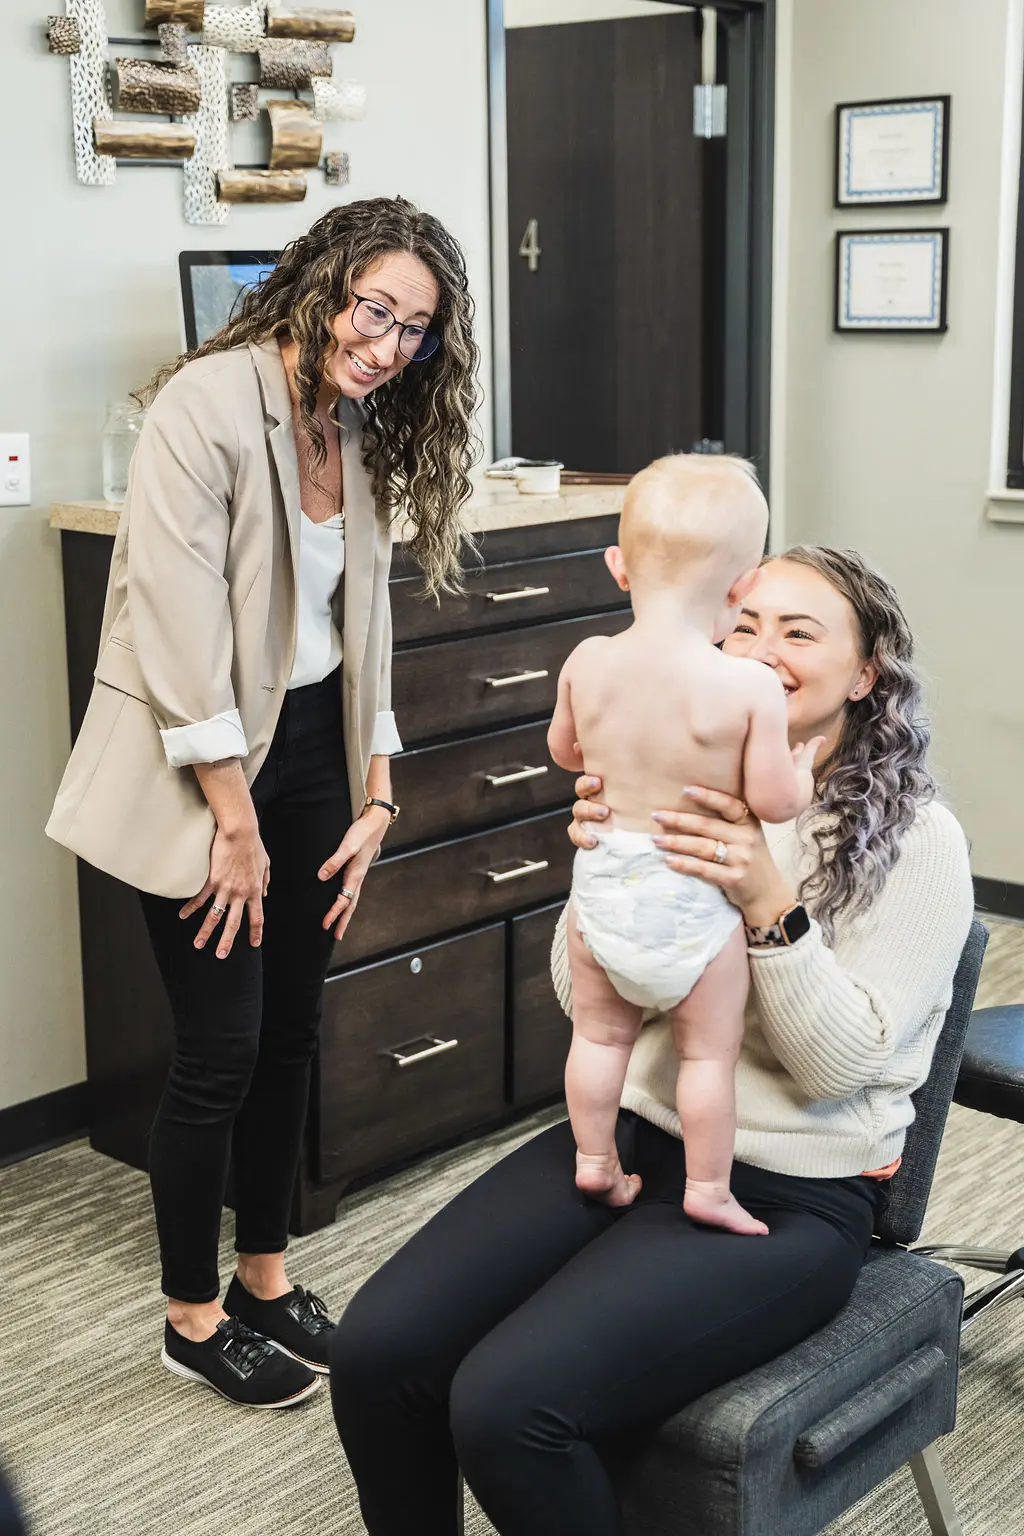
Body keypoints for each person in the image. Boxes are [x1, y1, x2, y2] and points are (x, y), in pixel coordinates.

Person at [330, 543, 974, 1536]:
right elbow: (583, 1004)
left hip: (790, 1192)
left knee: (509, 1408)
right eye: (742, 624)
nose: (759, 650)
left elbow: (839, 1069)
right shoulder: (671, 776)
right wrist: (604, 869)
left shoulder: (915, 841)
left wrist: (765, 896)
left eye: (798, 633)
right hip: (633, 1137)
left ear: (864, 674)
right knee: (376, 1352)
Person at [46, 197, 479, 1410]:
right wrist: (232, 821)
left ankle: (265, 1281)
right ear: (323, 283)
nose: (385, 342)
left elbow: (367, 627)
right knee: (219, 1050)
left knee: (293, 1032)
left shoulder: (358, 426)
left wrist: (377, 790)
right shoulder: (208, 402)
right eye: (371, 308)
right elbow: (178, 631)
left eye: (414, 329)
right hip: (200, 769)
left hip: (308, 759)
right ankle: (189, 1319)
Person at [548, 456, 821, 1234]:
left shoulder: (588, 660)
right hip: (692, 899)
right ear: (745, 587)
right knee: (708, 1058)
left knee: (598, 1035)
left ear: (618, 567)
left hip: (605, 880)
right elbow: (769, 802)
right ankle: (708, 1186)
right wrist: (798, 773)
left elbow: (566, 752)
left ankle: (595, 1160)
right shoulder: (747, 687)